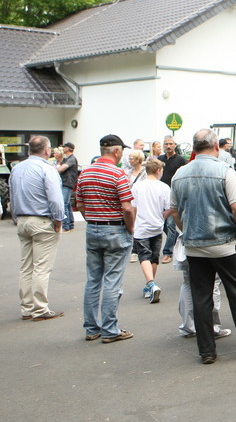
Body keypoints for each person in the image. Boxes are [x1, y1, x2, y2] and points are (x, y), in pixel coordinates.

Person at [170, 128, 236, 364]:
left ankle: (207, 351)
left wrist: (188, 230)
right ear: (216, 146)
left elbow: (174, 211)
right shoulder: (224, 171)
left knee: (201, 298)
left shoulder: (179, 174)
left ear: (194, 148)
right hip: (225, 244)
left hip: (195, 246)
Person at [76, 134, 136, 343]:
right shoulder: (118, 174)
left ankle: (91, 328)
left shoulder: (85, 173)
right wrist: (130, 228)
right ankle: (110, 329)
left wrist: (93, 220)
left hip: (93, 229)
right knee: (112, 281)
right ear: (117, 151)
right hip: (115, 230)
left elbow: (80, 204)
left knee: (93, 280)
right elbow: (127, 207)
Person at [10, 135, 66, 321]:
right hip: (42, 220)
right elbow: (55, 199)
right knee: (41, 267)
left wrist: (16, 217)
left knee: (26, 266)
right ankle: (40, 309)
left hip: (23, 219)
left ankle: (26, 307)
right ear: (47, 150)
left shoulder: (16, 168)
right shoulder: (47, 169)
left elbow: (12, 194)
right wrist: (58, 220)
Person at [131, 158, 170, 303]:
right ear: (158, 170)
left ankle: (151, 284)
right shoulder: (164, 187)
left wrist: (132, 224)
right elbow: (169, 208)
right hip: (157, 226)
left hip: (141, 226)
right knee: (154, 257)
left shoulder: (137, 186)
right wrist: (162, 217)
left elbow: (133, 207)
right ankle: (150, 285)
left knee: (144, 256)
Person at [159, 135, 187, 264]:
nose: (168, 146)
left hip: (173, 195)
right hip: (160, 195)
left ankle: (167, 252)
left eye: (171, 144)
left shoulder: (181, 160)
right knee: (163, 224)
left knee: (170, 224)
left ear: (175, 145)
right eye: (166, 144)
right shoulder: (160, 159)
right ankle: (175, 239)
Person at [57, 141, 78, 232]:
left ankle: (65, 226)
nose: (63, 148)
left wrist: (53, 171)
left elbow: (62, 168)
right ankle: (70, 224)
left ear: (69, 148)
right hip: (66, 182)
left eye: (65, 147)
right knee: (67, 204)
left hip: (67, 183)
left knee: (64, 204)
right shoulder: (67, 158)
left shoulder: (71, 159)